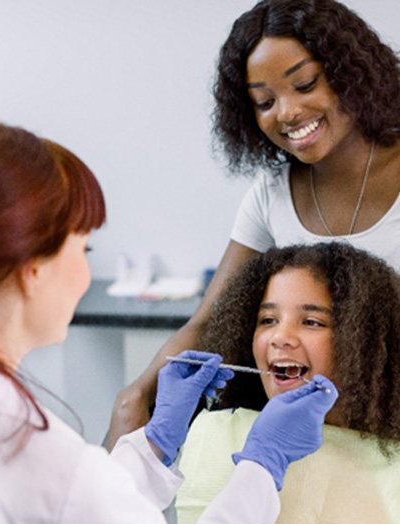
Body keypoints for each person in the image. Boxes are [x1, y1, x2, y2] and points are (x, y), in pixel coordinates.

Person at [0, 119, 338, 524]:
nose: (86, 274)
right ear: (31, 268)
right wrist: (264, 464)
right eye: (84, 250)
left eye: (312, 322)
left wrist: (151, 446)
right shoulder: (38, 454)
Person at [106, 0, 400, 450]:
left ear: (351, 73)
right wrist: (138, 395)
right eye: (264, 101)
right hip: (309, 441)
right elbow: (207, 323)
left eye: (304, 84)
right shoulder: (270, 194)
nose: (286, 112)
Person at [174, 242, 400, 524]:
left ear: (364, 343)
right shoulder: (215, 434)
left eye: (312, 322)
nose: (280, 337)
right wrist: (152, 445)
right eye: (267, 320)